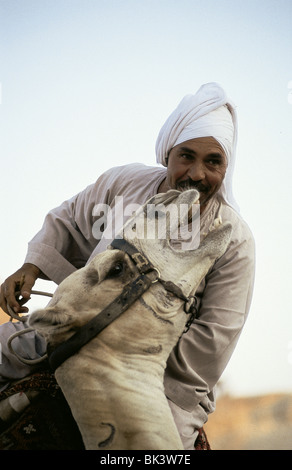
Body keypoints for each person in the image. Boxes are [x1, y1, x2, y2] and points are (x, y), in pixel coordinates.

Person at [0, 82, 255, 450]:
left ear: (225, 168)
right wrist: (31, 266)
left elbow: (214, 335)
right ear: (168, 154)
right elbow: (71, 219)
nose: (197, 174)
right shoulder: (125, 184)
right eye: (186, 156)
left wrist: (130, 369)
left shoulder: (234, 240)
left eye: (212, 162)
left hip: (155, 377)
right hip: (68, 334)